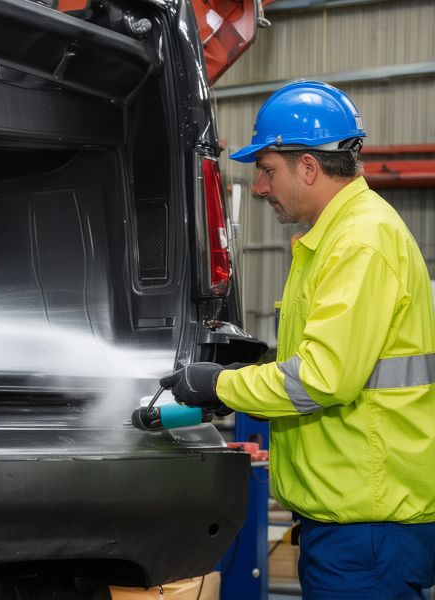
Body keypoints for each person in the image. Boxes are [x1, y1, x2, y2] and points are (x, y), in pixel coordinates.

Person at [163, 81, 435, 599]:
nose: (259, 187)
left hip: (366, 526)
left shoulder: (359, 241)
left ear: (308, 166)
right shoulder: (340, 237)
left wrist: (220, 385)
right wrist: (244, 382)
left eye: (267, 170)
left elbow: (320, 379)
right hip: (356, 515)